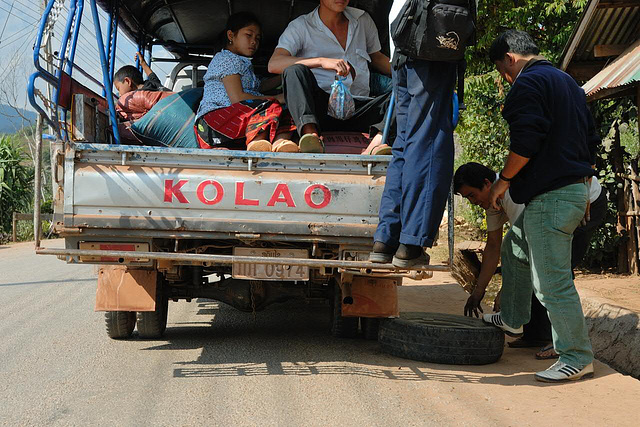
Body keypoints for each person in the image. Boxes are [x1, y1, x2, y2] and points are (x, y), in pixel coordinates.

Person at [481, 30, 600, 383]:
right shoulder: (567, 82)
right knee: (515, 248)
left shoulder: (528, 84)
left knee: (551, 283)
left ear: (510, 58)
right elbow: (591, 139)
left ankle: (576, 356)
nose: (506, 78)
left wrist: (503, 181)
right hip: (571, 190)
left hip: (552, 197)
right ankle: (514, 317)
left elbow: (526, 141)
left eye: (503, 70)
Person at [454, 162, 606, 359]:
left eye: (472, 195)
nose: (472, 202)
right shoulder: (493, 201)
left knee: (553, 271)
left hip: (586, 204)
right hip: (559, 207)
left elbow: (523, 254)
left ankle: (562, 343)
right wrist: (478, 292)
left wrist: (506, 292)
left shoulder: (515, 194)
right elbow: (493, 246)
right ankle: (536, 335)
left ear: (487, 183)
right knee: (537, 268)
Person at [369, 0, 457, 268]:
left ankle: (386, 239)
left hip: (404, 46)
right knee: (429, 144)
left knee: (405, 145)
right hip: (431, 45)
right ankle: (411, 243)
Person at [267, 0, 392, 153]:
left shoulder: (362, 20)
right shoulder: (301, 26)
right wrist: (321, 61)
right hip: (320, 110)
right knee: (294, 71)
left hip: (360, 108)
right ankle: (310, 136)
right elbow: (274, 64)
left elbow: (377, 58)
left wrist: (412, 75)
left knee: (407, 89)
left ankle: (376, 144)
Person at [195, 12, 297, 152]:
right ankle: (257, 142)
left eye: (257, 38)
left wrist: (287, 73)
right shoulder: (226, 59)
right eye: (249, 35)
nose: (254, 41)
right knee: (271, 105)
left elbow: (259, 87)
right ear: (231, 36)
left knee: (292, 106)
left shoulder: (244, 64)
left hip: (238, 119)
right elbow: (238, 98)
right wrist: (277, 98)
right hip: (216, 122)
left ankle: (281, 142)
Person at [114, 54, 172, 122]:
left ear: (127, 81)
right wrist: (143, 63)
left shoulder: (139, 96)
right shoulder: (152, 84)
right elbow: (152, 76)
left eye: (119, 88)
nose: (120, 94)